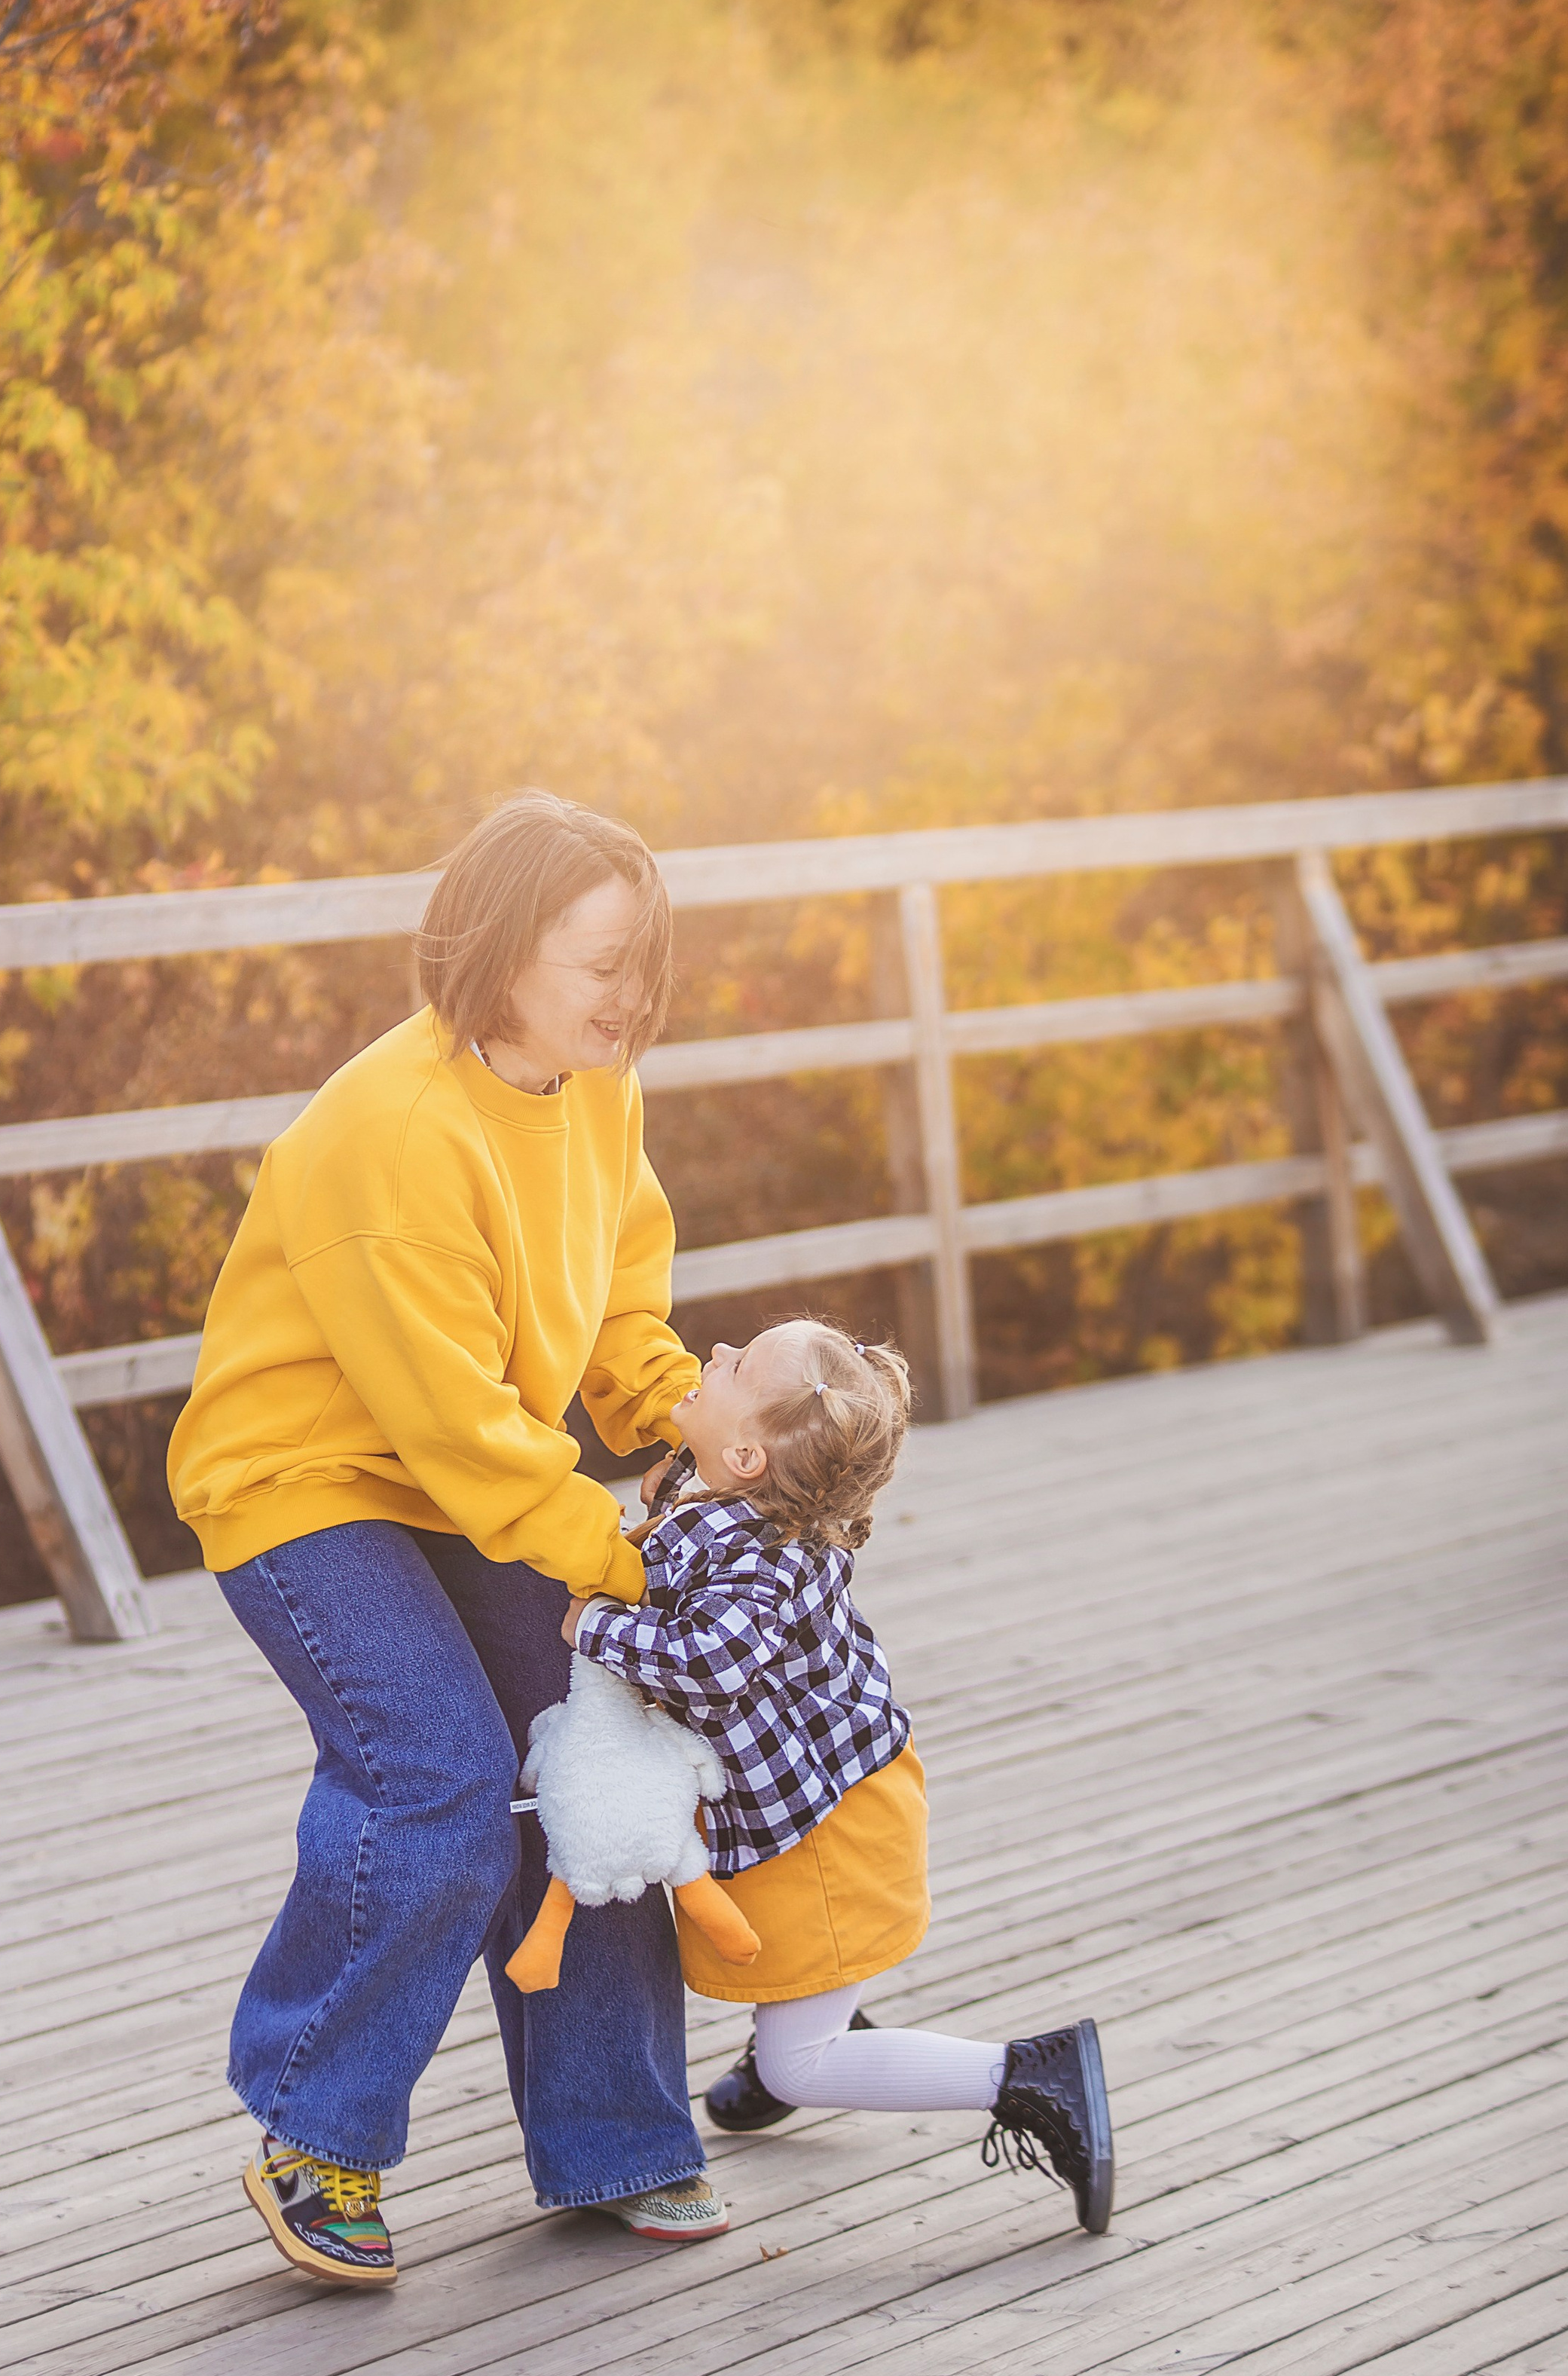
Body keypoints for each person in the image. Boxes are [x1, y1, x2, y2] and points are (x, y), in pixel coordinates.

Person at [167, 790, 726, 2289]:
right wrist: (635, 1566)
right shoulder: (395, 1134)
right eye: (600, 964)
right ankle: (317, 2126)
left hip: (468, 1469)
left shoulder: (593, 1081)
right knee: (441, 1774)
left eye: (643, 962)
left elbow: (618, 1298)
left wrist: (691, 1428)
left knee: (588, 1751)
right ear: (498, 950)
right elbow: (462, 1431)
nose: (631, 996)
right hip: (307, 1482)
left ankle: (616, 2138)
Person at [566, 1316, 1117, 2234]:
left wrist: (592, 1626)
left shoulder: (759, 1557)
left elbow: (710, 1664)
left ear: (749, 1456)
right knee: (792, 1970)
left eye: (737, 1365)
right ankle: (815, 2018)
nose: (713, 1356)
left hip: (823, 1829)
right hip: (810, 1801)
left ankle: (1029, 2075)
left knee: (801, 2065)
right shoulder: (737, 1493)